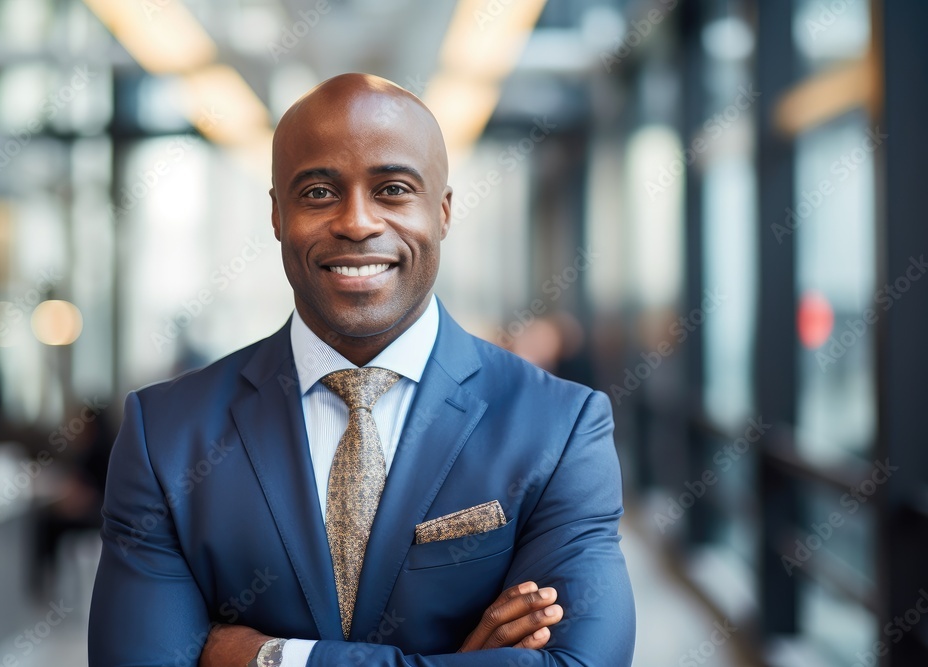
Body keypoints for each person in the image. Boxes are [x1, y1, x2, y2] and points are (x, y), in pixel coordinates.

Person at [88, 73, 635, 666]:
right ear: (277, 215)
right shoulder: (164, 434)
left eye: (393, 189)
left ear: (443, 211)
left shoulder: (560, 426)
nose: (356, 222)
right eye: (319, 192)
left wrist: (272, 658)